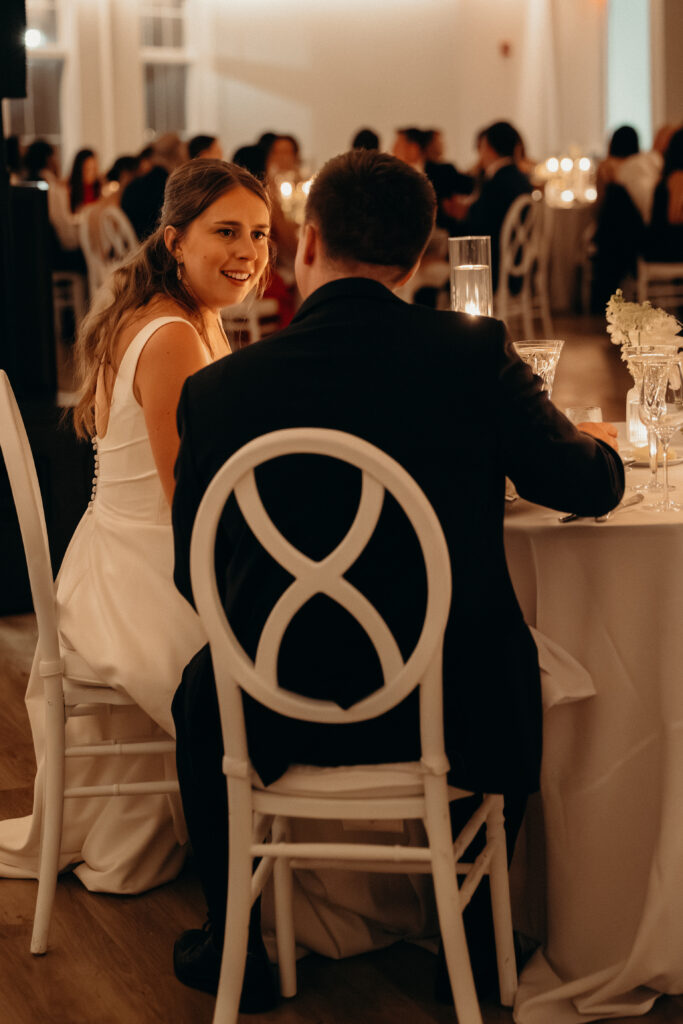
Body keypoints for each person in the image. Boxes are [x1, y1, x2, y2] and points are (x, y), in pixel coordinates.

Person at [170, 149, 624, 1007]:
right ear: (419, 258)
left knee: (203, 682)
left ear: (307, 244)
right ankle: (485, 928)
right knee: (506, 651)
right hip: (450, 703)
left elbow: (194, 574)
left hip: (270, 704)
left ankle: (232, 939)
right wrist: (595, 450)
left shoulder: (223, 390)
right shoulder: (470, 353)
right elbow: (581, 487)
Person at [0, 159, 271, 895]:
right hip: (143, 574)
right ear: (175, 240)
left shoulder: (185, 313)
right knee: (281, 660)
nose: (247, 250)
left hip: (116, 554)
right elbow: (188, 494)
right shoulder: (174, 334)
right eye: (226, 232)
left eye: (259, 233)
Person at [446, 120, 533, 291]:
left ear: (488, 148)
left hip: (494, 268)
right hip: (518, 265)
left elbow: (480, 228)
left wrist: (461, 216)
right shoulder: (520, 178)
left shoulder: (497, 182)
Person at [23, 138, 85, 272]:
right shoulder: (53, 188)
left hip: (32, 254)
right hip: (56, 254)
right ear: (49, 159)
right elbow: (67, 236)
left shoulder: (25, 187)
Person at [121, 132, 188, 241]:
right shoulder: (171, 187)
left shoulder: (134, 185)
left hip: (137, 244)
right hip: (156, 245)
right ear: (179, 155)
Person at [644, 125, 683, 263]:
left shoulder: (664, 183)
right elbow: (675, 219)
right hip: (671, 249)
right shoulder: (677, 181)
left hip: (658, 249)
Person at [68, 147, 102, 213]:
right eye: (88, 170)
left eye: (94, 169)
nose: (92, 174)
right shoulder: (69, 190)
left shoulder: (99, 187)